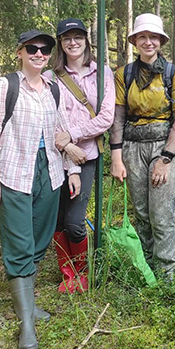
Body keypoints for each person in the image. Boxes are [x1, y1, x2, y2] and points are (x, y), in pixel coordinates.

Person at [0, 30, 85, 349]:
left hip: (49, 172)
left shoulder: (53, 88)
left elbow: (59, 131)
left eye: (44, 50)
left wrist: (73, 170)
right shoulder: (5, 86)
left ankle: (29, 304)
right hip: (14, 172)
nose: (39, 54)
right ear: (20, 52)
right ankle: (27, 322)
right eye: (32, 49)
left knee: (40, 238)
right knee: (19, 243)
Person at [110, 13, 175, 280]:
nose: (148, 42)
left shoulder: (171, 73)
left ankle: (167, 271)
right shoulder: (124, 74)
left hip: (163, 146)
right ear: (134, 41)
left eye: (152, 37)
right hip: (132, 147)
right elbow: (118, 116)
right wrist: (116, 157)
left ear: (160, 41)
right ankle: (146, 267)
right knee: (141, 211)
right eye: (142, 37)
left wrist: (166, 158)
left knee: (161, 212)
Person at [50, 18, 115, 294]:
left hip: (86, 155)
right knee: (56, 220)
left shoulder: (102, 73)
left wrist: (73, 136)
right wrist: (65, 145)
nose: (72, 42)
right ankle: (68, 275)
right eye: (66, 38)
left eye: (77, 37)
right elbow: (51, 117)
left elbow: (106, 118)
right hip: (55, 156)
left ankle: (83, 274)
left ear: (86, 40)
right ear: (60, 43)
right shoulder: (52, 76)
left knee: (75, 222)